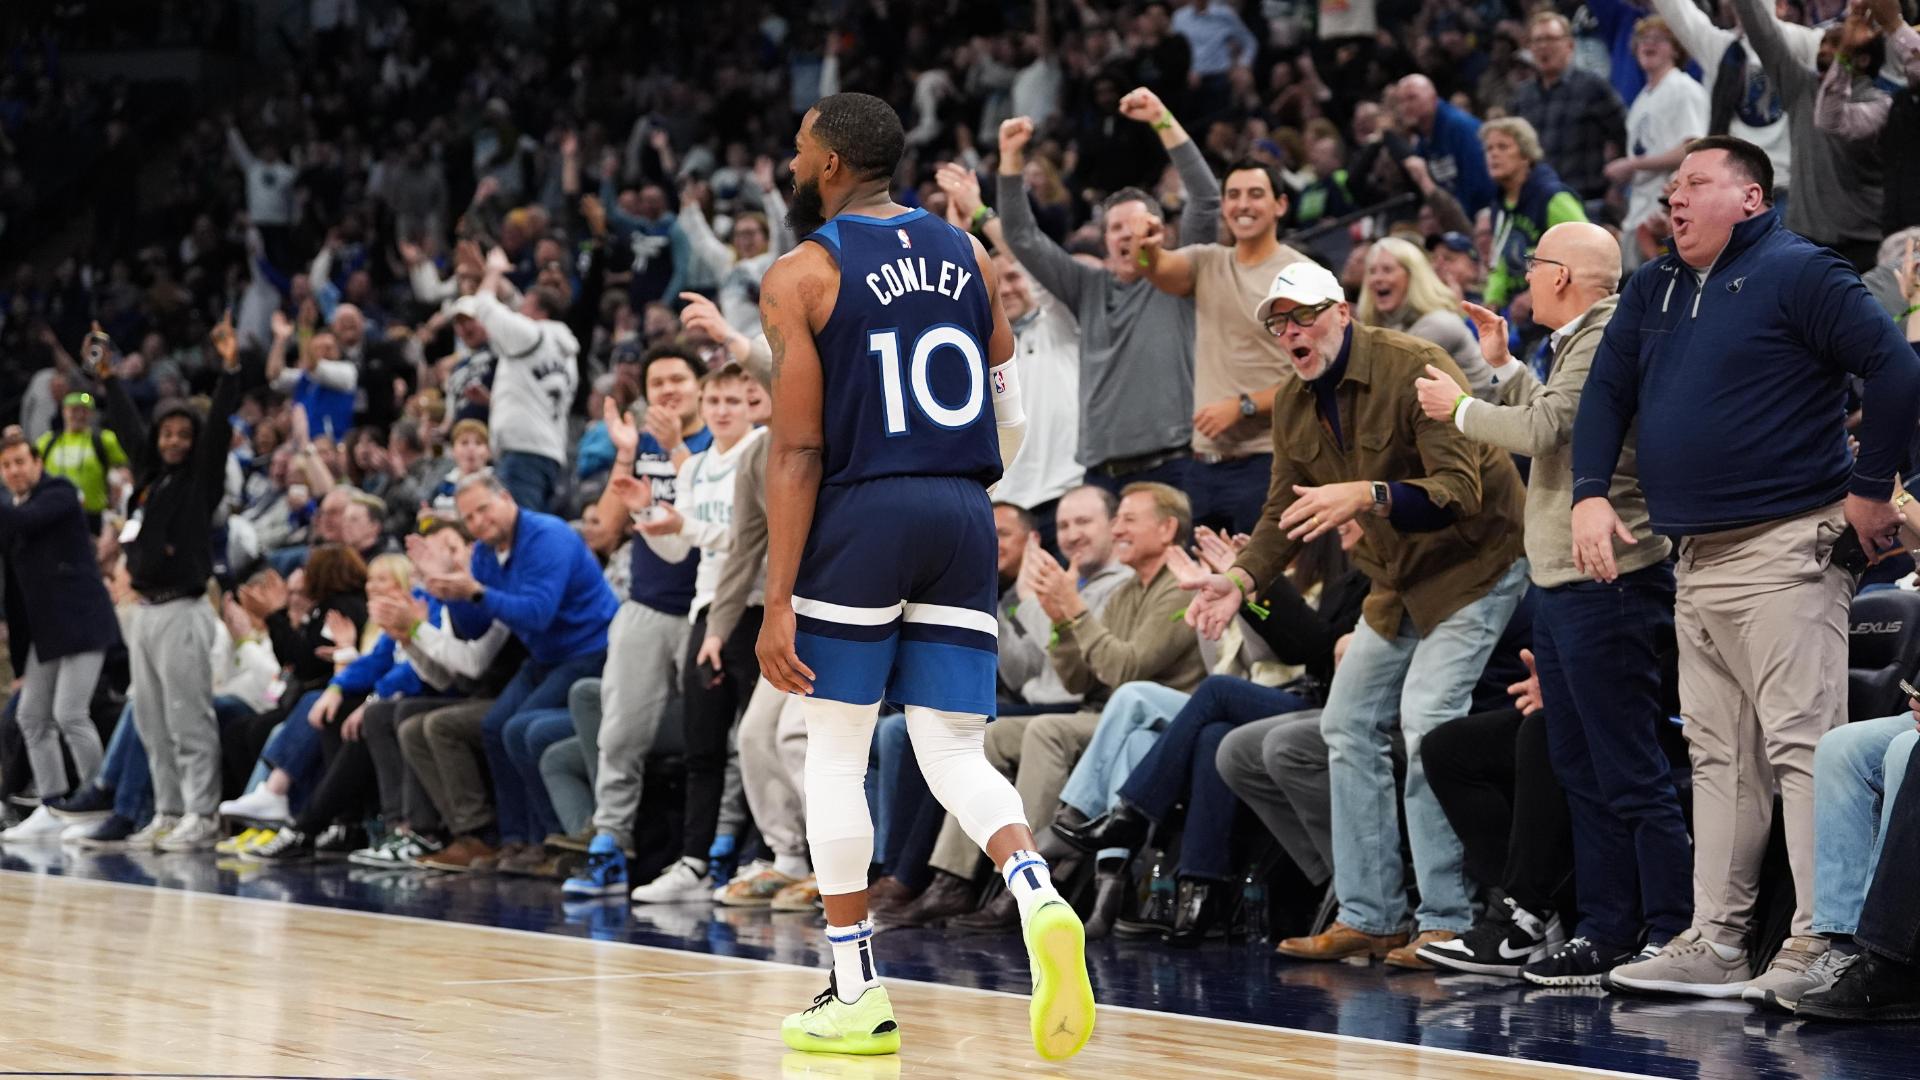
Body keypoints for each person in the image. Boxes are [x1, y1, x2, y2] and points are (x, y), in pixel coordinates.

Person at [755, 92, 1094, 1061]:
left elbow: (797, 450)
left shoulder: (803, 272)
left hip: (865, 512)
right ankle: (1035, 889)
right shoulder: (968, 254)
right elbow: (1009, 408)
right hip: (962, 512)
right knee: (952, 753)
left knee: (833, 752)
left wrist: (778, 599)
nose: (789, 158)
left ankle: (855, 988)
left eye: (798, 145)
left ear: (828, 165)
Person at [1570, 135, 1920, 999]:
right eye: (1673, 185)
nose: (1674, 198)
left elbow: (1896, 365)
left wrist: (1872, 489)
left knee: (1804, 749)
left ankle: (1815, 942)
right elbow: (1606, 392)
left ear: (1751, 199)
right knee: (1719, 757)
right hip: (1694, 554)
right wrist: (1586, 492)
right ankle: (1716, 941)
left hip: (1787, 544)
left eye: (1695, 183)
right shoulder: (1651, 286)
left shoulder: (1802, 272)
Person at [1182, 259, 1530, 966]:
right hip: (1397, 580)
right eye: (1280, 323)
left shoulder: (1414, 364)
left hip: (1477, 564)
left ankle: (1446, 919)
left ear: (1342, 310)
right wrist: (1241, 580)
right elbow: (1283, 509)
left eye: (1304, 316)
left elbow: (1462, 488)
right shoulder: (1296, 401)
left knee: (1426, 719)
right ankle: (1372, 915)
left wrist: (1367, 495)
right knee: (1346, 723)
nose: (1292, 332)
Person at [1413, 222, 1688, 986]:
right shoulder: (1579, 340)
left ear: (1562, 276)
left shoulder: (1606, 335)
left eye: (1532, 265)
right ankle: (1604, 932)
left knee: (1629, 772)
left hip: (1610, 583)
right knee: (1582, 769)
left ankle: (1668, 931)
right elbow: (1558, 431)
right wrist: (1503, 367)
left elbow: (1542, 429)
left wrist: (1459, 405)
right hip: (1567, 586)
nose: (1524, 279)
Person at [991, 88, 1220, 502]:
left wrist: (1162, 119)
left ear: (1160, 231)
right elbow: (1022, 237)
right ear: (1105, 239)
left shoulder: (1182, 278)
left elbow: (1205, 201)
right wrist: (1009, 161)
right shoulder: (1087, 286)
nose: (1127, 235)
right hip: (1099, 476)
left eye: (1136, 225)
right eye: (1116, 228)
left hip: (1175, 465)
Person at [418, 471, 619, 871]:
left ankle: (552, 838)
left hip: (591, 652)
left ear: (506, 497)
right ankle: (515, 840)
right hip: (546, 656)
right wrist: (449, 589)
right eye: (469, 518)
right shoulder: (485, 553)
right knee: (494, 726)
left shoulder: (549, 536)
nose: (478, 522)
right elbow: (473, 627)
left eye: (483, 509)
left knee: (518, 728)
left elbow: (538, 612)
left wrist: (473, 591)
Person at [101, 317, 244, 852]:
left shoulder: (199, 480)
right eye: (169, 434)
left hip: (185, 609)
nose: (177, 441)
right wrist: (110, 379)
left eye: (185, 434)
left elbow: (219, 429)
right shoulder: (148, 480)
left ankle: (202, 816)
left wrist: (230, 369)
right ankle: (167, 811)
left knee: (188, 720)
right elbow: (125, 426)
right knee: (152, 722)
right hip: (144, 611)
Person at [1136, 158, 1307, 534]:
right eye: (1234, 195)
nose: (1242, 204)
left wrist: (1244, 406)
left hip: (1268, 461)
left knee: (1260, 589)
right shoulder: (1207, 260)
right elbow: (1156, 267)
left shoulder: (1300, 276)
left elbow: (1316, 379)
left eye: (1255, 194)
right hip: (1203, 464)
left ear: (1280, 205)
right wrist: (1147, 245)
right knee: (1204, 588)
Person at [0, 429, 121, 841]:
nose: (14, 471)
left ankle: (98, 798)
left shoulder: (60, 493)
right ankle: (52, 804)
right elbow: (15, 594)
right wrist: (19, 660)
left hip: (82, 623)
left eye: (20, 462)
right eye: (6, 465)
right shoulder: (12, 511)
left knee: (70, 713)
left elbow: (24, 520)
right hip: (45, 633)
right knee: (31, 716)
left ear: (37, 463)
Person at [450, 276, 580, 515]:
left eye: (526, 305)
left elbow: (485, 307)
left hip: (523, 455)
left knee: (518, 532)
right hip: (549, 454)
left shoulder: (531, 336)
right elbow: (535, 401)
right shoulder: (565, 352)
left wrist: (492, 271)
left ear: (540, 312)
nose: (519, 310)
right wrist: (494, 402)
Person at [1606, 17, 1709, 271]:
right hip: (1638, 210)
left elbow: (1693, 148)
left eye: (1658, 39)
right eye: (1643, 39)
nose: (1647, 44)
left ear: (1676, 48)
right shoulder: (1643, 97)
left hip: (1664, 214)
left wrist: (1631, 165)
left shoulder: (1684, 89)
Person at [1510, 11, 1628, 203]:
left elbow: (1625, 136)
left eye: (1550, 39)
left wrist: (1616, 187)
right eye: (1537, 41)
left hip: (1585, 200)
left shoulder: (1593, 86)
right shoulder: (1522, 96)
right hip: (1536, 202)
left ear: (1570, 45)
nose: (1543, 47)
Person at [1354, 237, 1495, 399]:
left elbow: (1387, 383)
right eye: (1372, 271)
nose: (1377, 279)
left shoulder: (1439, 323)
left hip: (1483, 418)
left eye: (1387, 270)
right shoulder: (1388, 323)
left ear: (1412, 276)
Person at [1482, 118, 1588, 309]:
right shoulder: (1498, 207)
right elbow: (1499, 263)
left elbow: (1589, 251)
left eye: (1503, 147)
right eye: (1489, 149)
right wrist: (1491, 302)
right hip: (1519, 311)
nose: (1493, 154)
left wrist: (1536, 294)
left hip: (1561, 307)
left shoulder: (1553, 197)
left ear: (1526, 155)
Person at [1393, 75, 1494, 216]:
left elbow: (1480, 184)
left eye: (1412, 98)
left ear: (1433, 98)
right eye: (1400, 101)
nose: (1406, 106)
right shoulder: (1423, 137)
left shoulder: (1460, 127)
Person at [34, 390, 128, 531]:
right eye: (73, 410)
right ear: (64, 411)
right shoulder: (47, 442)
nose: (78, 415)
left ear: (91, 413)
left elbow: (125, 471)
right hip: (53, 514)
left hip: (93, 516)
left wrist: (116, 504)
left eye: (84, 410)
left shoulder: (104, 440)